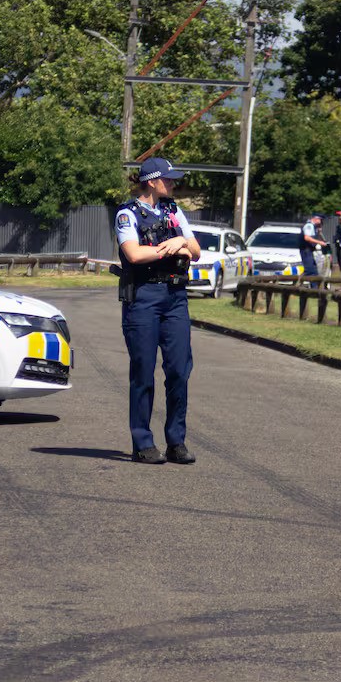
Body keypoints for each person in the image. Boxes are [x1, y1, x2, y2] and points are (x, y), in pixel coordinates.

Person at [114, 156, 203, 464]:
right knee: (143, 373)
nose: (173, 183)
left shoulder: (174, 211)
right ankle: (142, 442)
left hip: (175, 296)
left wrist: (178, 241)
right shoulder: (127, 214)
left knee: (179, 370)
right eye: (168, 179)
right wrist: (167, 250)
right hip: (144, 297)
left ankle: (176, 442)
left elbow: (196, 251)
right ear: (151, 181)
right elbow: (134, 254)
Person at [299, 213, 328, 284]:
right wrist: (319, 242)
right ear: (317, 219)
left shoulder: (313, 227)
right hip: (306, 250)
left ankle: (314, 289)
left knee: (314, 271)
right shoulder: (309, 226)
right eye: (321, 220)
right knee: (310, 270)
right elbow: (307, 238)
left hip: (309, 250)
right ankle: (297, 283)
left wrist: (318, 232)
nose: (322, 223)